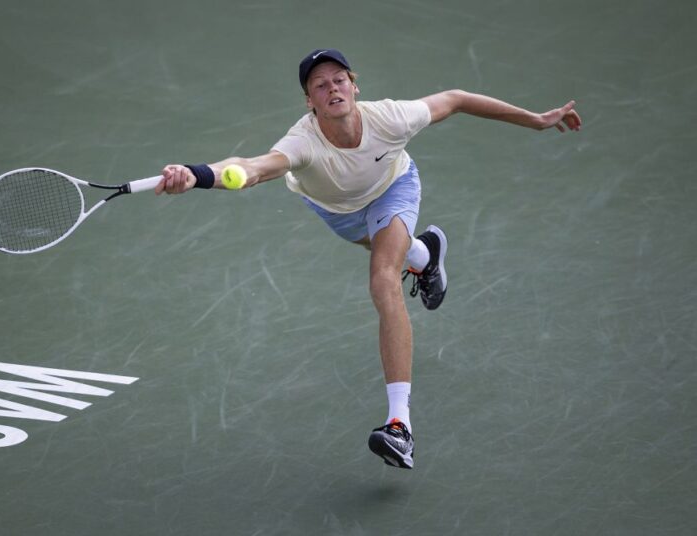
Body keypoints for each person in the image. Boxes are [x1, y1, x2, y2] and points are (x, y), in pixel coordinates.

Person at [156, 49, 582, 469]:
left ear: (354, 86)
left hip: (393, 188)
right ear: (310, 102)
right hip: (338, 211)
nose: (332, 88)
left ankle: (400, 426)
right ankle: (424, 253)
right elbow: (253, 167)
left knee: (383, 278)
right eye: (319, 85)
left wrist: (535, 119)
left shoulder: (391, 118)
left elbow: (455, 99)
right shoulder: (302, 141)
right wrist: (199, 175)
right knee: (389, 252)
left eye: (339, 80)